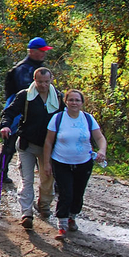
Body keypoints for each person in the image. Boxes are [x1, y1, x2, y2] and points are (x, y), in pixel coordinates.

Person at [0, 67, 63, 228]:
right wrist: (5, 126)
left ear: (51, 80)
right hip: (27, 144)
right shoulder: (25, 95)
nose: (43, 85)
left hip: (48, 148)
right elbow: (9, 112)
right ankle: (26, 213)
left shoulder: (59, 99)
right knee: (27, 180)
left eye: (46, 82)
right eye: (40, 82)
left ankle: (44, 205)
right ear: (34, 80)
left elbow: (66, 120)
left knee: (47, 179)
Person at [42, 89, 107, 238]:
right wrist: (47, 163)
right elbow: (48, 142)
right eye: (71, 100)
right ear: (66, 102)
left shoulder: (88, 119)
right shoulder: (58, 118)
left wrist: (102, 151)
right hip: (61, 162)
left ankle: (72, 217)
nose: (74, 103)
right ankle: (62, 225)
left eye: (77, 100)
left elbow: (99, 138)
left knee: (78, 194)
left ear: (82, 103)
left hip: (83, 163)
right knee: (66, 193)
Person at [0, 37, 53, 184]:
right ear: (32, 52)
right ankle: (1, 170)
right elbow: (25, 93)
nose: (44, 54)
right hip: (19, 110)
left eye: (45, 51)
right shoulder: (23, 69)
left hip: (32, 111)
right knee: (11, 142)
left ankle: (49, 178)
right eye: (41, 51)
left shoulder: (37, 68)